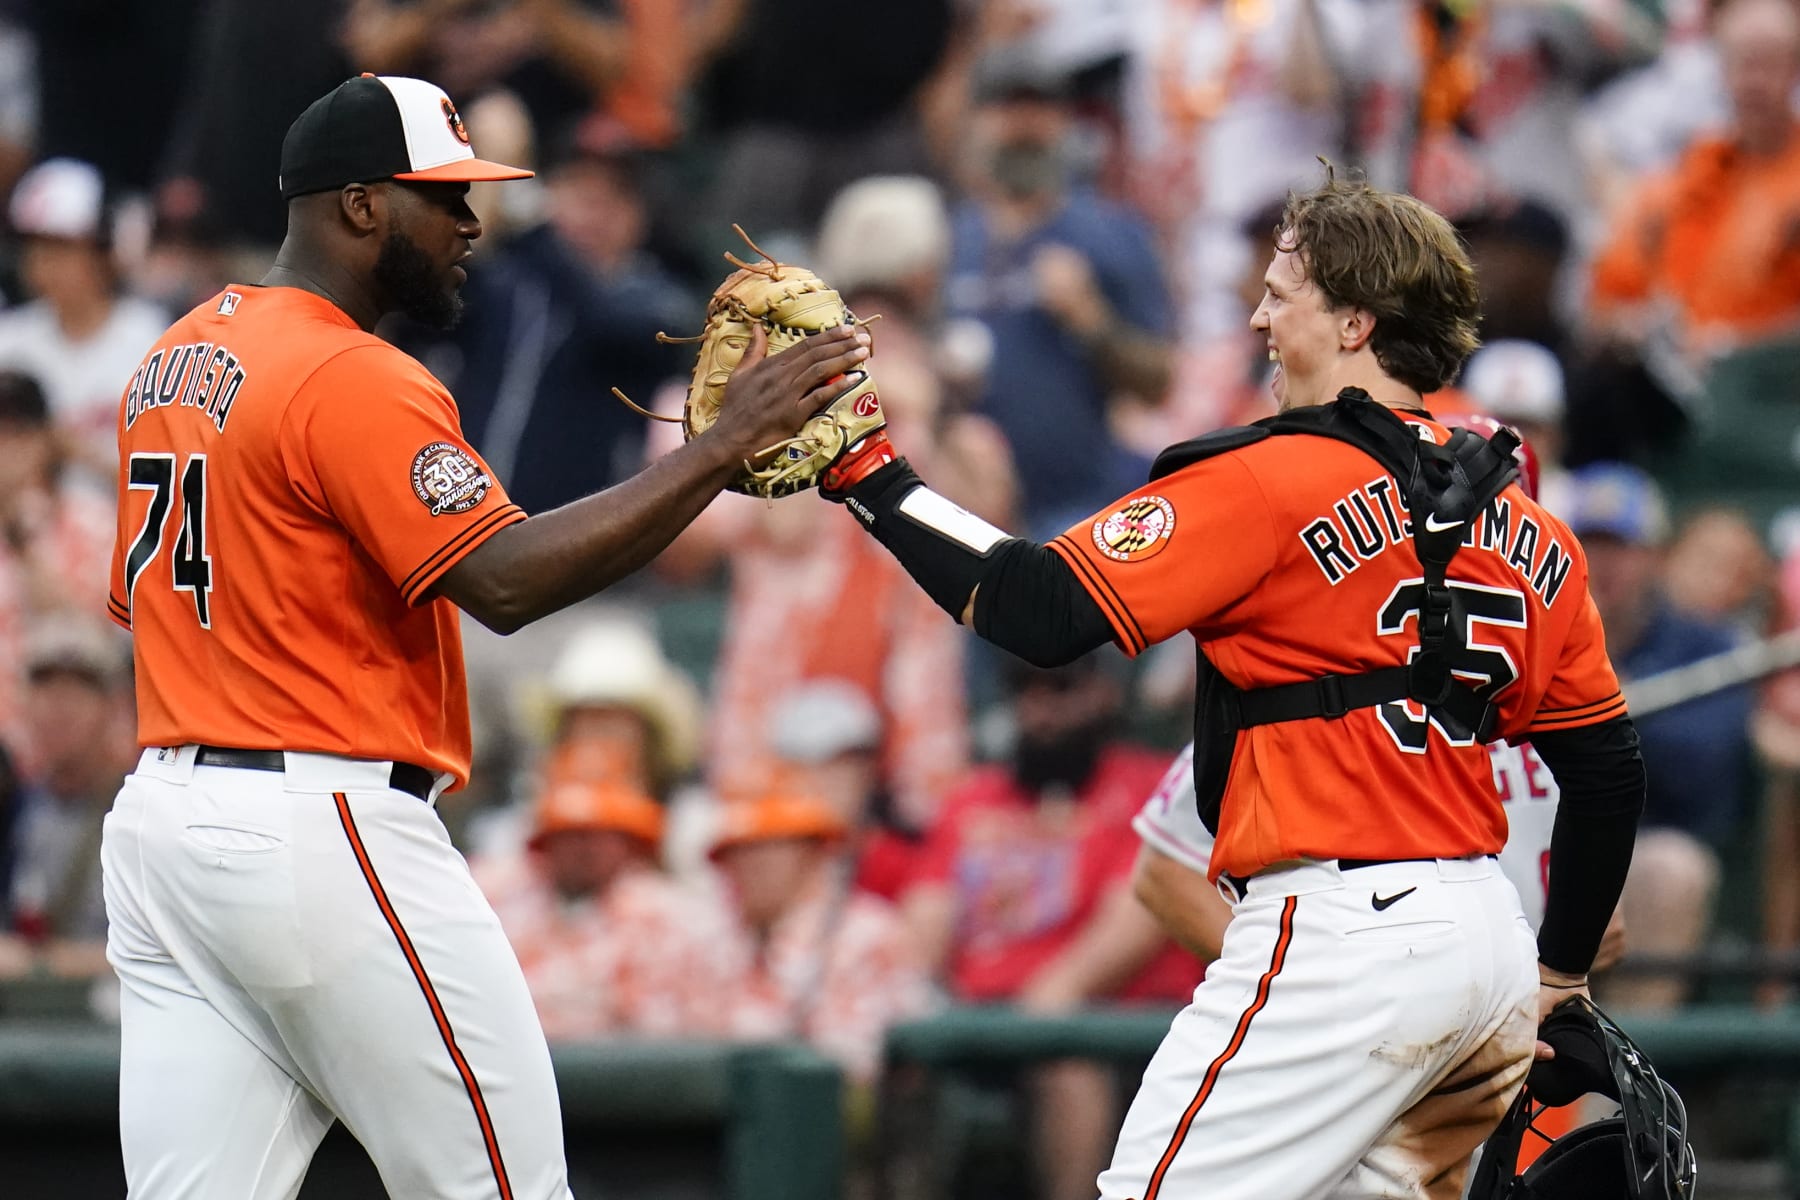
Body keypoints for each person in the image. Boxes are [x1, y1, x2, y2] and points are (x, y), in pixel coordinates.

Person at [99, 73, 869, 1200]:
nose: (471, 226)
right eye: (443, 197)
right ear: (359, 207)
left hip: (168, 826)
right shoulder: (355, 373)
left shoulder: (166, 359)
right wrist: (713, 452)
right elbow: (503, 583)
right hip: (321, 823)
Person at [819, 169, 1645, 1198]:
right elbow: (1608, 772)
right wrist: (1557, 977)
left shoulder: (1265, 479)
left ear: (1354, 321)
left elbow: (1034, 609)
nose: (1258, 314)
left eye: (1282, 289)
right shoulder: (1530, 526)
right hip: (1488, 940)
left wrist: (866, 474)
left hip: (1339, 926)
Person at [470, 752, 724, 1041]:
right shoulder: (493, 896)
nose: (585, 848)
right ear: (547, 839)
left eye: (601, 834)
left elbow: (667, 1038)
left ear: (629, 841)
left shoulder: (669, 916)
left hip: (624, 1077)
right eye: (572, 833)